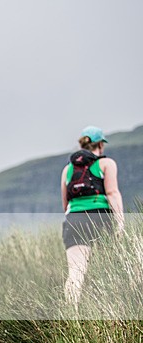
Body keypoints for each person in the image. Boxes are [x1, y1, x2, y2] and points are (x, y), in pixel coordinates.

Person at [61, 126, 124, 304]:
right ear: (101, 146)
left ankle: (71, 316)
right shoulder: (106, 164)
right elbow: (112, 193)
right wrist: (120, 223)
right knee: (107, 270)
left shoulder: (68, 170)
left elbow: (65, 203)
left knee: (75, 272)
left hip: (74, 220)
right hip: (100, 218)